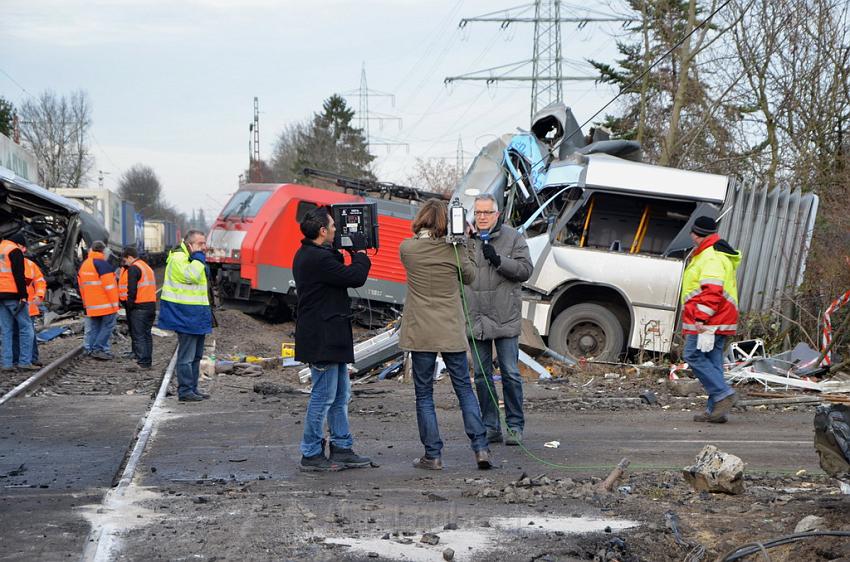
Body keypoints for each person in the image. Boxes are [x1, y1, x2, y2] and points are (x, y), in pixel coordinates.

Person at [399, 198, 492, 471]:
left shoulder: (408, 249)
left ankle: (433, 455)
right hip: (450, 328)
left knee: (424, 394)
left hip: (421, 332)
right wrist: (468, 242)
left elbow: (418, 247)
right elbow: (471, 277)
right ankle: (481, 449)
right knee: (464, 389)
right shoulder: (455, 251)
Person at [294, 207, 372, 472]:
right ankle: (311, 452)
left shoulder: (315, 254)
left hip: (332, 335)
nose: (338, 230)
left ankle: (341, 447)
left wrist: (346, 252)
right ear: (323, 232)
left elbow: (338, 272)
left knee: (340, 395)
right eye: (333, 227)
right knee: (323, 396)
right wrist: (360, 254)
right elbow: (355, 277)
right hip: (323, 338)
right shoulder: (316, 259)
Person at [466, 193, 533, 446]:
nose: (481, 217)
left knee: (510, 373)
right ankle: (490, 426)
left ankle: (515, 425)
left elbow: (526, 270)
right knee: (482, 377)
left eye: (487, 213)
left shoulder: (513, 238)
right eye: (478, 213)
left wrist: (498, 259)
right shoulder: (466, 240)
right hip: (477, 318)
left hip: (505, 317)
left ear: (497, 214)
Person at [681, 216, 742, 423]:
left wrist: (701, 317)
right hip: (719, 319)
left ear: (695, 234)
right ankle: (716, 411)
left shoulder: (711, 256)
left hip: (710, 320)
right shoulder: (713, 252)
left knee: (692, 355)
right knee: (713, 362)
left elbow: (713, 290)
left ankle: (724, 394)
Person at [158, 230, 213, 402]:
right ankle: (185, 391)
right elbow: (192, 276)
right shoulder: (179, 258)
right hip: (184, 315)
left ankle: (193, 389)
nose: (203, 248)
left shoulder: (191, 258)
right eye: (199, 244)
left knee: (196, 356)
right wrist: (198, 258)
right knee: (187, 357)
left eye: (204, 244)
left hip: (196, 314)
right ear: (189, 244)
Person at [0, 233, 37, 371]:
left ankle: (7, 364)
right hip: (13, 295)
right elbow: (19, 275)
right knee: (26, 328)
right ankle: (24, 362)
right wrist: (23, 295)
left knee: (6, 330)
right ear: (19, 244)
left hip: (0, 297)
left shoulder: (1, 248)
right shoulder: (14, 250)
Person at [77, 240, 120, 360]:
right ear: (103, 251)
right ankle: (98, 348)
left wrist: (86, 303)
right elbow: (110, 287)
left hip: (91, 305)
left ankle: (89, 349)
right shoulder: (103, 265)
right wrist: (115, 305)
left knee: (95, 327)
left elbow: (81, 286)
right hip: (105, 304)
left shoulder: (85, 264)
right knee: (108, 326)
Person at [119, 246, 157, 369]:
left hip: (139, 307)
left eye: (126, 260)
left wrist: (129, 306)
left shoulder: (134, 268)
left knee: (139, 335)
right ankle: (147, 360)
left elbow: (132, 291)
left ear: (130, 257)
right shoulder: (146, 267)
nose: (126, 263)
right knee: (146, 335)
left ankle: (142, 363)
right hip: (150, 305)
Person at [12, 256, 46, 367]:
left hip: (27, 307)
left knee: (26, 333)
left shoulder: (30, 265)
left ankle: (32, 358)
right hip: (15, 306)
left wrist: (39, 296)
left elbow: (40, 282)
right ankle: (18, 359)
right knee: (17, 333)